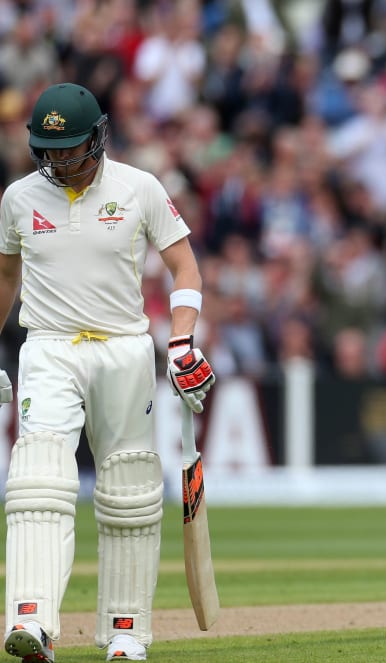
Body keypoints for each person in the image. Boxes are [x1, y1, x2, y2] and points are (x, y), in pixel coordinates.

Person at [1, 83, 215, 662]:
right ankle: (32, 621)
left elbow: (185, 266)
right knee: (37, 480)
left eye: (70, 148)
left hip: (123, 347)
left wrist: (181, 341)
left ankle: (126, 631)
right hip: (48, 346)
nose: (60, 160)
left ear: (97, 137)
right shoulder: (19, 198)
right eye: (50, 150)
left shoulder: (138, 188)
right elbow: (5, 277)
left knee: (130, 490)